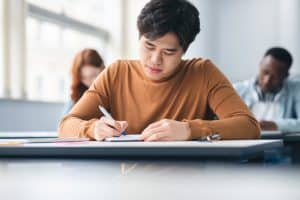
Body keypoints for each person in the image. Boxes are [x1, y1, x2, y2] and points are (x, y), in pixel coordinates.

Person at [59, 0, 260, 141]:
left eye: (169, 51)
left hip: (193, 182)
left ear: (184, 50)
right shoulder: (117, 73)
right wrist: (93, 129)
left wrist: (189, 130)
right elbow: (66, 125)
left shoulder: (203, 73)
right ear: (139, 38)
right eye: (149, 46)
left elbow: (249, 126)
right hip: (128, 182)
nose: (155, 60)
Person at [234, 47, 300, 132]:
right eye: (265, 72)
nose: (267, 81)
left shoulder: (296, 89)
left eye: (275, 77)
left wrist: (274, 125)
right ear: (260, 65)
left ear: (286, 75)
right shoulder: (237, 90)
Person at [62, 48, 105, 115]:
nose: (91, 82)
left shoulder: (111, 92)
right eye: (84, 78)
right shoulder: (76, 97)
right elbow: (63, 123)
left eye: (94, 75)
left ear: (103, 70)